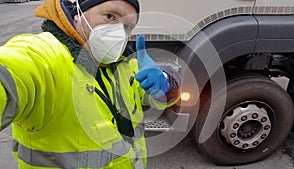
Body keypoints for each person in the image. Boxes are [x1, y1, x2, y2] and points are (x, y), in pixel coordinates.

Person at [0, 0, 180, 168]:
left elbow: (154, 96)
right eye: (110, 16)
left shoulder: (127, 65)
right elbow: (12, 71)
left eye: (127, 26)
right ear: (78, 13)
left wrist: (166, 83)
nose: (118, 31)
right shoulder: (45, 58)